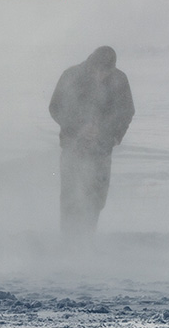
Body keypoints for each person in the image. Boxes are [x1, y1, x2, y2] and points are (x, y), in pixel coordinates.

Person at [49, 46, 135, 239]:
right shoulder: (71, 76)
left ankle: (87, 240)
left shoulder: (119, 80)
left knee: (96, 199)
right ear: (91, 64)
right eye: (97, 70)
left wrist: (111, 136)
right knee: (71, 198)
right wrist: (79, 127)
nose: (101, 76)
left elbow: (127, 112)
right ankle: (67, 241)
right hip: (73, 147)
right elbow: (55, 107)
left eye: (106, 72)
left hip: (102, 150)